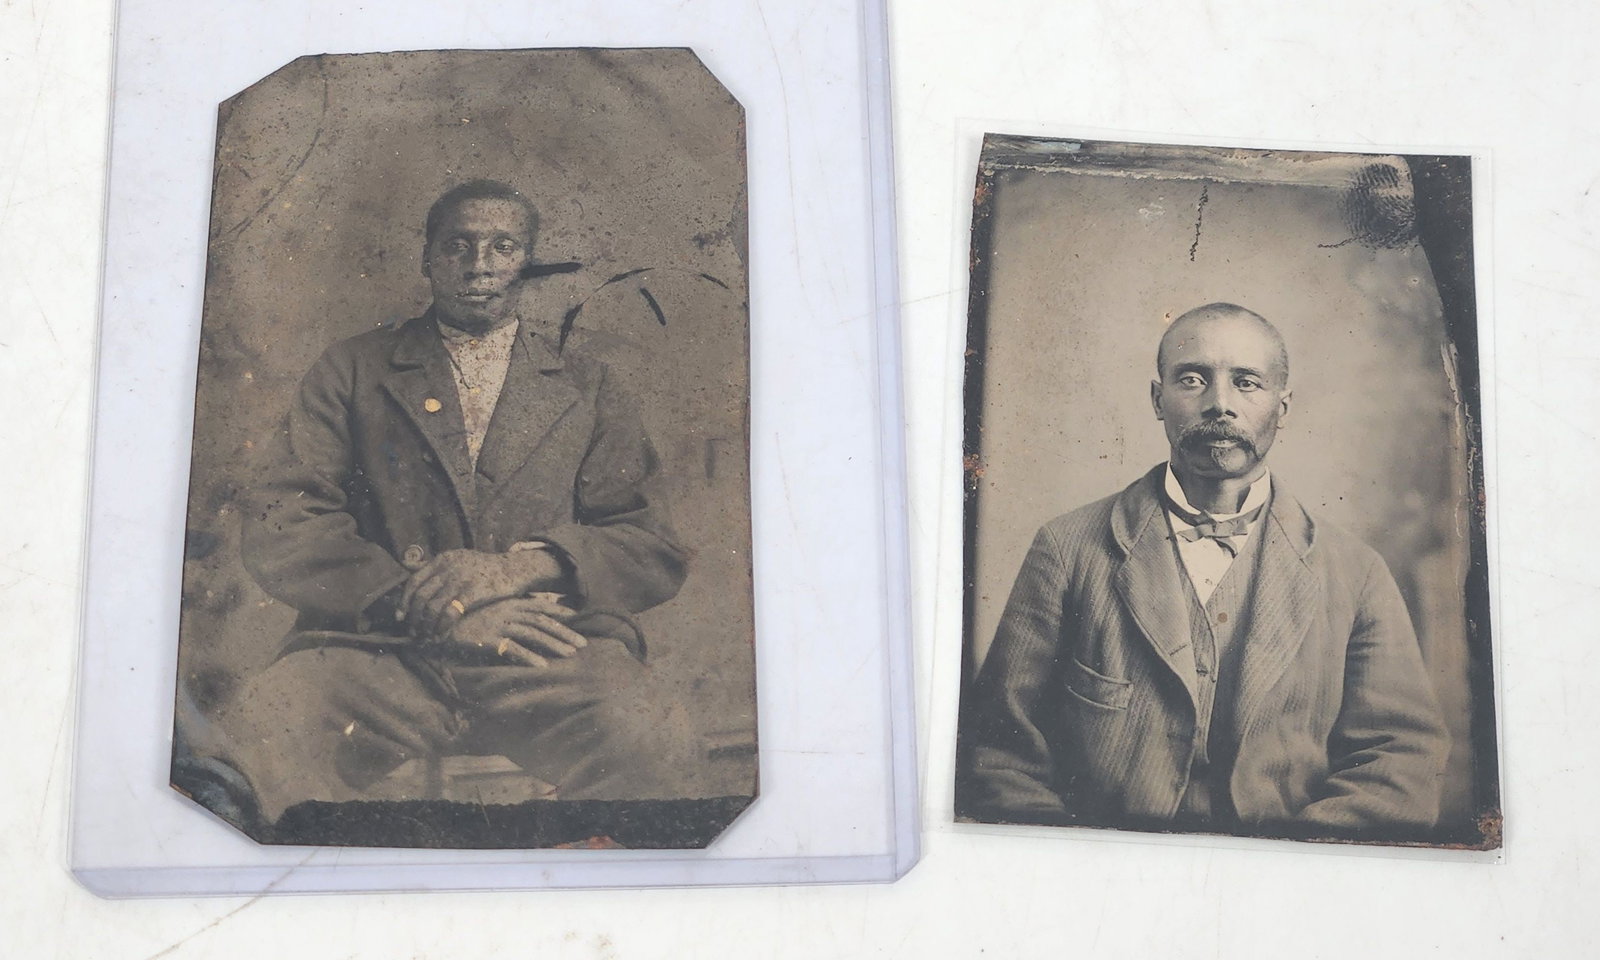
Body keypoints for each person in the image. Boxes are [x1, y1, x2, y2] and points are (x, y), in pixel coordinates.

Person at [213, 179, 693, 826]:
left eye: (502, 246)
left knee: (654, 734)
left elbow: (649, 542)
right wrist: (434, 606)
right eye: (458, 246)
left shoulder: (587, 381)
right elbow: (285, 522)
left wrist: (519, 569)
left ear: (528, 260)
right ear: (429, 259)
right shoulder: (353, 369)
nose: (479, 264)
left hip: (546, 646)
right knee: (266, 724)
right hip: (379, 646)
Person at [959, 302, 1450, 838]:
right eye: (1193, 380)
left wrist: (1293, 865)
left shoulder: (1355, 572)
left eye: (1247, 383)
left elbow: (1399, 763)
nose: (1220, 405)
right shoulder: (1067, 548)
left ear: (1282, 406)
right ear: (1158, 399)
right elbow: (999, 752)